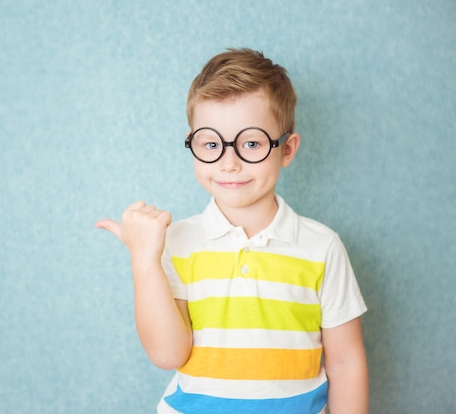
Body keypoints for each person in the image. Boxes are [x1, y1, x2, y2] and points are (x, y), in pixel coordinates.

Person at [95, 48, 369, 414]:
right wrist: (144, 260)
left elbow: (347, 364)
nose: (229, 162)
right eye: (211, 144)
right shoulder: (174, 243)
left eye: (251, 143)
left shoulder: (322, 248)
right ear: (192, 145)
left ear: (286, 149)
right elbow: (167, 354)